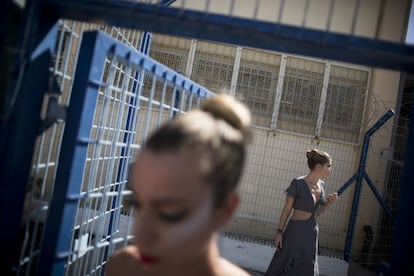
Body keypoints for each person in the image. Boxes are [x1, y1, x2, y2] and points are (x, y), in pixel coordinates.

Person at [105, 94, 252, 276]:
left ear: (225, 209)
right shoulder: (123, 267)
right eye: (137, 204)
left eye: (169, 212)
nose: (140, 235)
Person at [265, 149, 338, 276]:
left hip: (311, 233)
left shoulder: (322, 185)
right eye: (329, 166)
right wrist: (279, 232)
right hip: (295, 231)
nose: (330, 169)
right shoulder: (298, 183)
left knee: (307, 268)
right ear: (319, 166)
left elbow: (318, 212)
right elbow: (287, 209)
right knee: (281, 265)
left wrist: (328, 202)